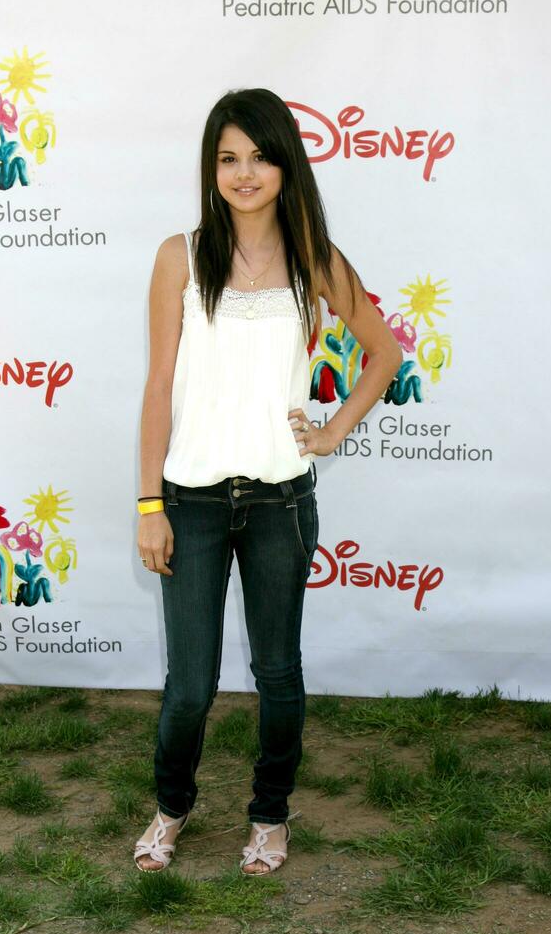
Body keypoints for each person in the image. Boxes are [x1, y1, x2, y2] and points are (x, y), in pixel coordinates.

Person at [134, 88, 403, 876]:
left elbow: (383, 355)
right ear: (211, 168)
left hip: (283, 500)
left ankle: (270, 816)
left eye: (259, 155)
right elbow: (158, 389)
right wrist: (150, 503)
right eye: (228, 158)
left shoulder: (315, 256)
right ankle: (171, 807)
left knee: (278, 673)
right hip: (191, 502)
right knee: (190, 686)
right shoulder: (178, 257)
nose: (244, 173)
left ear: (287, 163)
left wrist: (330, 432)